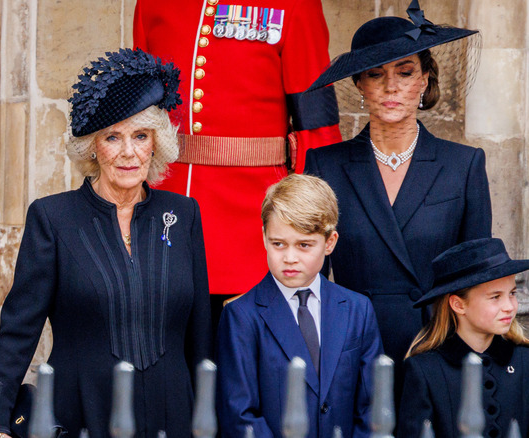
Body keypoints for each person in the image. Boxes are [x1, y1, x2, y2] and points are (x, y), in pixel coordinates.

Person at [0, 48, 211, 438]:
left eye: (140, 136)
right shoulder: (53, 217)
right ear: (92, 146)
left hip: (172, 413)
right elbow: (19, 332)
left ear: (156, 143)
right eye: (112, 137)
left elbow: (200, 334)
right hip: (80, 411)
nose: (128, 152)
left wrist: (209, 416)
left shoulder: (184, 214)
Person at [304, 0, 491, 385]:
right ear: (360, 84)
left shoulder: (463, 165)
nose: (391, 87)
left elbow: (476, 280)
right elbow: (311, 277)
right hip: (351, 349)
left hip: (436, 352)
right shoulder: (325, 165)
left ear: (423, 80)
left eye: (405, 72)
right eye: (376, 74)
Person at [133, 0, 342, 319]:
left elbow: (315, 126)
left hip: (252, 224)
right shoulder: (153, 5)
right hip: (166, 214)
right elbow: (138, 115)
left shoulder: (297, 5)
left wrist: (306, 224)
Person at [216, 174, 382, 438]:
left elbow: (372, 408)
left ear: (330, 242)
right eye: (278, 243)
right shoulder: (241, 316)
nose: (290, 258)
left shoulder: (357, 310)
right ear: (264, 237)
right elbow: (239, 414)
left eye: (304, 245)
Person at [397, 238, 529, 438]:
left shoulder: (524, 361)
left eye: (512, 293)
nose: (510, 306)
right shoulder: (425, 370)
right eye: (495, 297)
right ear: (458, 305)